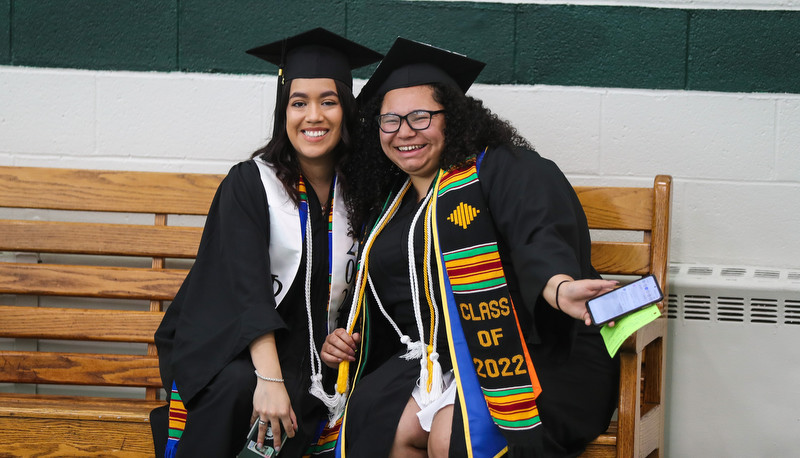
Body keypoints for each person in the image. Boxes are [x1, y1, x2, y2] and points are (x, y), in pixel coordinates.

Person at [321, 38, 620, 457]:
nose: (405, 131)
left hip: (533, 354)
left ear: (454, 118)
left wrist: (558, 285)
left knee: (453, 435)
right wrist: (344, 337)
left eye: (421, 116)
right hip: (438, 362)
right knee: (380, 425)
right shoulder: (391, 205)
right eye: (390, 120)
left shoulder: (504, 169)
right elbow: (381, 299)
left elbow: (539, 234)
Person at [150, 28, 381, 457]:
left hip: (310, 359)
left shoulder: (361, 195)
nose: (314, 116)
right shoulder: (251, 183)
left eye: (328, 102)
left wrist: (338, 338)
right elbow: (245, 289)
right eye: (299, 103)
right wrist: (270, 381)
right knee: (243, 386)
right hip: (231, 347)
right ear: (284, 112)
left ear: (346, 111)